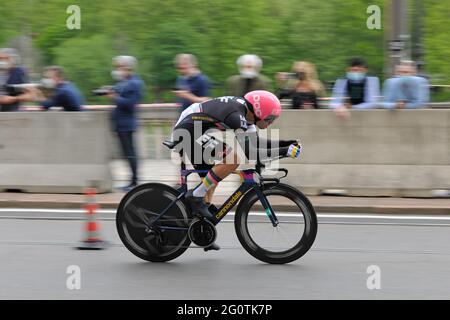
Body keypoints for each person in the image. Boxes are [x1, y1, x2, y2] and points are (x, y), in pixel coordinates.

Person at [171, 90, 302, 251]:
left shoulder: (247, 115)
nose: (271, 123)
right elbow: (251, 152)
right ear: (260, 112)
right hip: (187, 132)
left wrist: (285, 143)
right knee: (232, 159)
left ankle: (201, 228)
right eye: (270, 118)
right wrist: (285, 151)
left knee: (214, 175)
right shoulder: (237, 115)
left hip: (195, 130)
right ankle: (196, 196)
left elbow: (257, 143)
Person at [106, 55, 144, 191]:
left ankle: (134, 181)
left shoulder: (135, 83)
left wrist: (114, 97)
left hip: (127, 124)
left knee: (131, 153)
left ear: (128, 68)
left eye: (120, 67)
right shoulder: (123, 82)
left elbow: (130, 104)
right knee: (127, 154)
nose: (117, 70)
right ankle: (132, 180)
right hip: (120, 124)